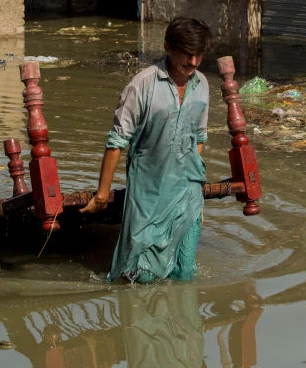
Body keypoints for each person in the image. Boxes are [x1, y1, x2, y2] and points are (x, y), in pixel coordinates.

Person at [81, 17, 213, 283]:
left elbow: (199, 135)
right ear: (168, 47)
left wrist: (190, 172)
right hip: (148, 192)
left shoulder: (202, 85)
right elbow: (117, 141)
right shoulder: (142, 85)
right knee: (141, 277)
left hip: (187, 192)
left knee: (184, 271)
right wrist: (102, 194)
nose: (193, 62)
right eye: (187, 54)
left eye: (199, 55)